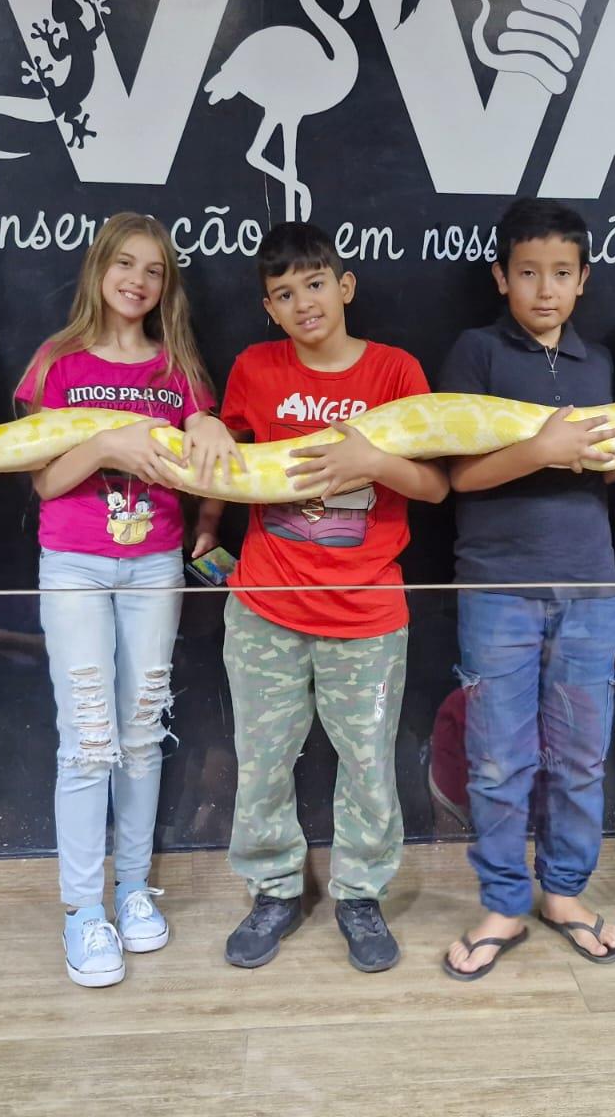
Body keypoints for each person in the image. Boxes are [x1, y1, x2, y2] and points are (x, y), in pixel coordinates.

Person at [437, 199, 615, 980]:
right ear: (501, 277)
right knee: (498, 760)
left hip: (590, 590)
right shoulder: (475, 353)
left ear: (583, 281)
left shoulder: (599, 363)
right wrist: (542, 447)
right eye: (529, 273)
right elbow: (459, 477)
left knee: (579, 757)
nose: (545, 290)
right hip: (497, 590)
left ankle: (564, 893)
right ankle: (504, 903)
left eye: (561, 274)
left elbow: (604, 468)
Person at [200, 221, 448, 973]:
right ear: (268, 308)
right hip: (265, 606)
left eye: (314, 284)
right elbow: (220, 453)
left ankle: (360, 895)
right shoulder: (254, 367)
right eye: (283, 294)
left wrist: (371, 460)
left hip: (367, 611)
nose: (302, 302)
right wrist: (203, 438)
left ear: (345, 287)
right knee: (262, 761)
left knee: (368, 763)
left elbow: (434, 486)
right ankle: (273, 890)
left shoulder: (396, 371)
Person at [16, 212, 240, 987]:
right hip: (76, 567)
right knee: (88, 738)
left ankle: (134, 888)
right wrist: (109, 444)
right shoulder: (58, 362)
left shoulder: (179, 368)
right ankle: (84, 910)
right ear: (99, 270)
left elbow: (208, 457)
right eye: (125, 264)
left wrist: (209, 425)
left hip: (154, 568)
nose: (138, 281)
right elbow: (45, 479)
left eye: (154, 270)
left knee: (142, 732)